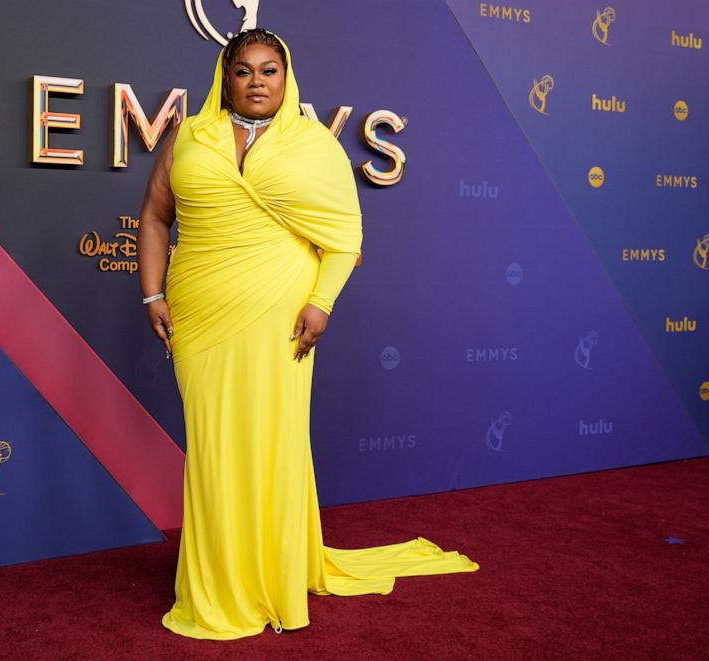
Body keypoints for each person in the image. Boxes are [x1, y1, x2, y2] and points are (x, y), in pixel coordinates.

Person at [137, 28, 478, 640]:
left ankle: (271, 576)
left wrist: (321, 304)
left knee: (273, 442)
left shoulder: (313, 143)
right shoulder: (190, 136)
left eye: (269, 70)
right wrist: (152, 292)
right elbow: (156, 216)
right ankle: (217, 583)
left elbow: (346, 236)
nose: (257, 81)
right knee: (213, 448)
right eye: (243, 71)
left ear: (286, 76)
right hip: (199, 315)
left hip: (280, 315)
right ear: (225, 78)